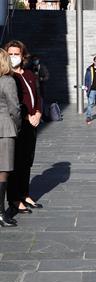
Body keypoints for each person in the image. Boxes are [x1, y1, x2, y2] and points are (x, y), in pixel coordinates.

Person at [4, 40, 43, 216]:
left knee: (27, 160)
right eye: (10, 54)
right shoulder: (9, 77)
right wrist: (28, 116)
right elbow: (15, 103)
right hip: (19, 124)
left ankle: (25, 194)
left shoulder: (28, 74)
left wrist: (39, 113)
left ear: (23, 55)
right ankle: (14, 199)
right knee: (16, 162)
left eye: (16, 54)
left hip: (33, 123)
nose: (14, 57)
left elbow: (38, 96)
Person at [0, 49, 21, 227]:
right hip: (4, 128)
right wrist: (17, 125)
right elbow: (14, 108)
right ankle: (0, 213)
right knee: (3, 171)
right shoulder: (7, 81)